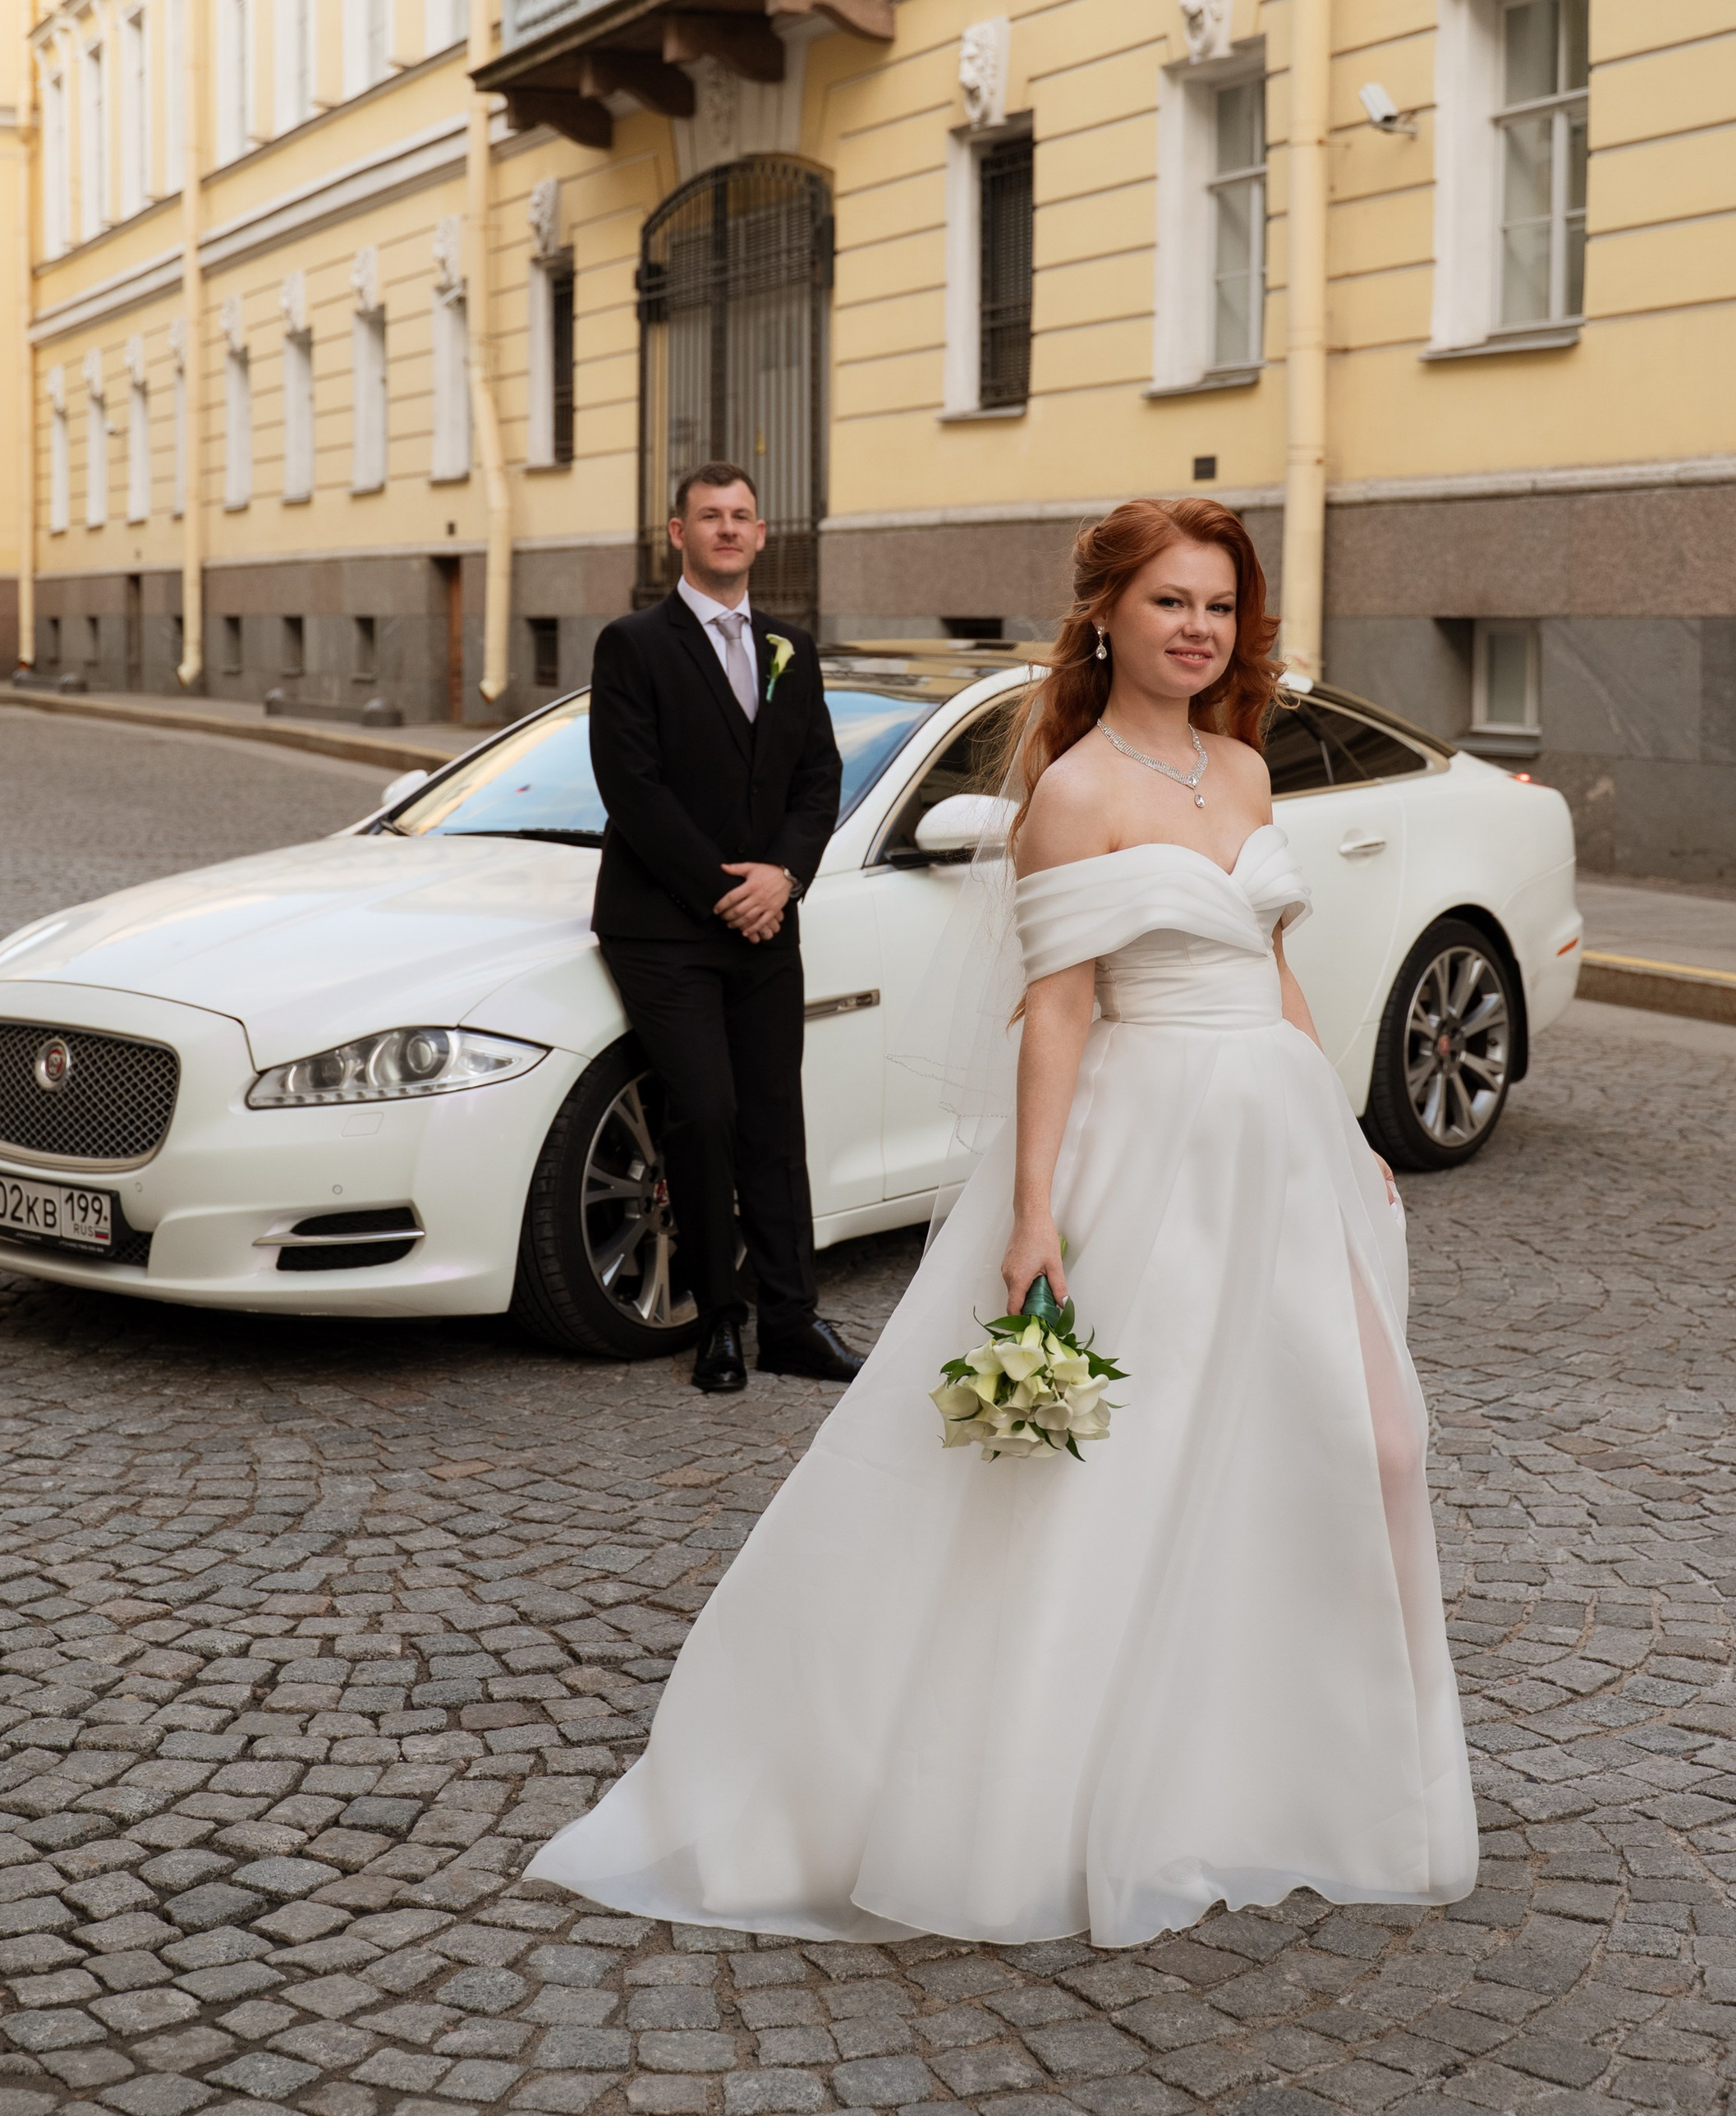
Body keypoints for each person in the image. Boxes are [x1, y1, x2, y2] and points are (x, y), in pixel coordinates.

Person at [536, 495, 1477, 1944]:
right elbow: (1059, 1013)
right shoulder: (1076, 794)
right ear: (1107, 616)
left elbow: (1273, 960)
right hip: (1155, 1141)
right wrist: (1035, 1211)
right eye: (1169, 600)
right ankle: (1093, 1780)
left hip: (1284, 1139)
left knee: (1374, 1437)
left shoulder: (1242, 763)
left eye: (1218, 604)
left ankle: (1307, 1760)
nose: (1198, 627)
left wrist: (1345, 1128)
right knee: (1123, 1476)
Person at [588, 460, 863, 1396]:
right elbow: (633, 789)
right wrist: (725, 892)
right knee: (704, 1114)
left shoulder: (792, 646)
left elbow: (818, 778)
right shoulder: (633, 644)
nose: (729, 528)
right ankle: (718, 1320)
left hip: (766, 923)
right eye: (710, 515)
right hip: (664, 927)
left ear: (761, 532)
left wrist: (784, 876)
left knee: (774, 1120)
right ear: (679, 533)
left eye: (743, 515)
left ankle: (791, 1320)